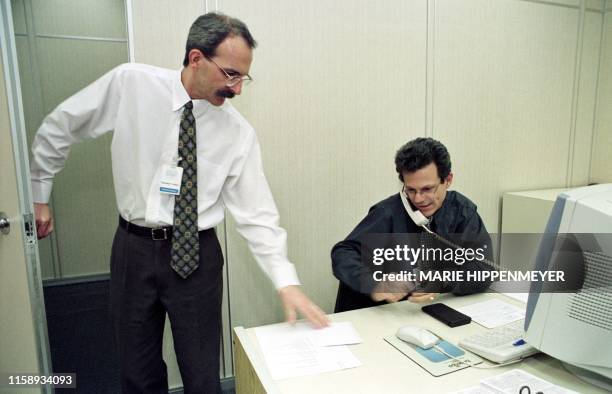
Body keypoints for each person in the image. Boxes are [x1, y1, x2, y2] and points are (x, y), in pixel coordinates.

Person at [30, 12, 327, 394]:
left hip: (197, 257)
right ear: (196, 58)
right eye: (230, 74)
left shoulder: (238, 133)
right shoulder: (131, 84)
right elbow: (60, 126)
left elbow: (258, 215)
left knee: (203, 373)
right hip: (133, 248)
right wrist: (38, 194)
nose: (237, 89)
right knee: (137, 370)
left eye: (243, 77)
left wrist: (286, 281)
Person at [331, 137, 493, 313]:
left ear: (447, 180)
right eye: (411, 190)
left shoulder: (462, 211)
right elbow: (343, 253)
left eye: (427, 189)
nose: (418, 199)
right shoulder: (388, 213)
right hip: (387, 315)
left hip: (431, 312)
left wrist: (442, 281)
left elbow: (484, 269)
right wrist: (375, 285)